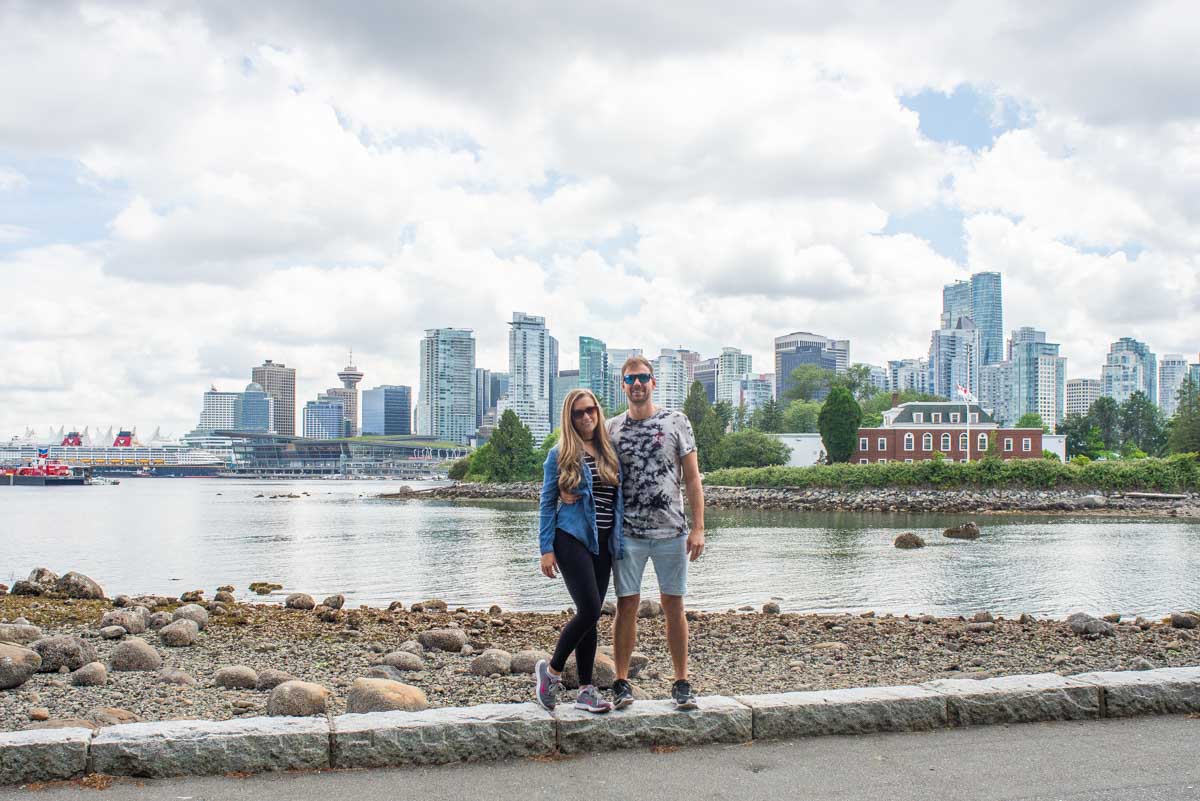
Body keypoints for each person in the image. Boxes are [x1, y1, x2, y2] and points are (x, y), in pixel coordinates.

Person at [605, 355, 705, 711]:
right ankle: (621, 681)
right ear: (623, 385)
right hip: (627, 532)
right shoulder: (611, 428)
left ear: (653, 382)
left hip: (672, 531)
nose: (637, 384)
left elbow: (692, 478)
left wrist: (698, 528)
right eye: (631, 379)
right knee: (626, 605)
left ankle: (681, 681)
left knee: (673, 605)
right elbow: (594, 472)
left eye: (643, 378)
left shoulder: (676, 421)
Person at [533, 388, 625, 713]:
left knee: (593, 617)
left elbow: (619, 499)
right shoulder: (560, 454)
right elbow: (546, 503)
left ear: (598, 413)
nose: (586, 417)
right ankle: (552, 672)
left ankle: (586, 691)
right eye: (578, 413)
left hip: (604, 541)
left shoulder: (609, 450)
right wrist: (546, 549)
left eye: (590, 411)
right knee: (589, 609)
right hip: (570, 536)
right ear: (569, 418)